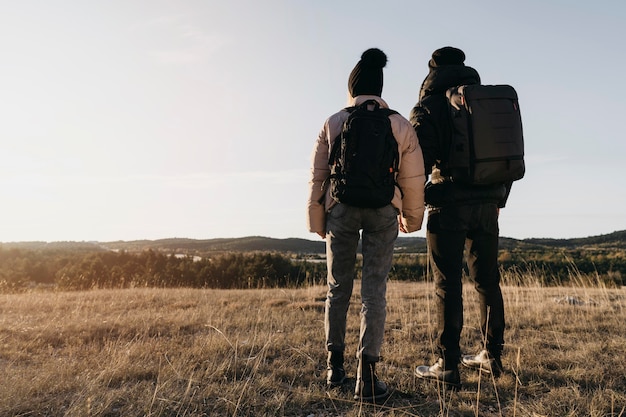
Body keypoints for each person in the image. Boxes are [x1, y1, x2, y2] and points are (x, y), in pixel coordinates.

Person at [307, 48, 425, 403]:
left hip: (340, 209)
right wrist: (412, 217)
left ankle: (334, 367)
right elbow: (414, 179)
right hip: (383, 211)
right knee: (374, 292)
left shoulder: (334, 121)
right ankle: (368, 376)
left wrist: (317, 219)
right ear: (380, 85)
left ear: (352, 88)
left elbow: (318, 176)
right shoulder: (399, 123)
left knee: (337, 287)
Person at [410, 47, 510, 388]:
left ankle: (447, 364)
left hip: (447, 204)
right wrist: (499, 199)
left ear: (432, 70)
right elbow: (504, 154)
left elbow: (419, 161)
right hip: (487, 204)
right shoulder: (485, 103)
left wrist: (411, 202)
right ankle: (492, 356)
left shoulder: (431, 105)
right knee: (487, 281)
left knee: (447, 284)